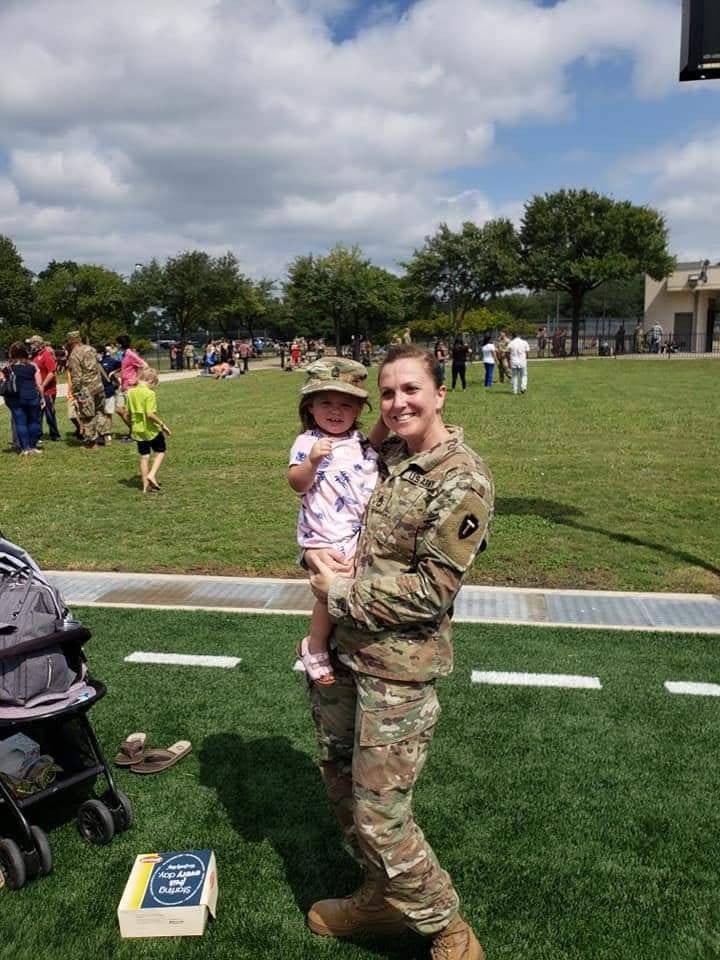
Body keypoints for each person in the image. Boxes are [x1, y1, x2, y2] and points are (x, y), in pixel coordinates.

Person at [304, 344, 493, 959]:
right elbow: (328, 514)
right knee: (338, 783)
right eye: (387, 394)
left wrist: (340, 592)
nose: (398, 403)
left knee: (382, 817)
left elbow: (431, 592)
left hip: (399, 670)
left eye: (411, 389)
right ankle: (381, 899)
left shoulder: (462, 480)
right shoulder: (382, 454)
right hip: (345, 657)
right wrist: (314, 556)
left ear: (441, 393)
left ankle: (447, 931)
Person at [288, 359, 385, 685]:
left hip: (358, 535)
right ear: (310, 407)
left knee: (353, 590)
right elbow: (297, 483)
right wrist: (313, 461)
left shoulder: (358, 441)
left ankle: (348, 648)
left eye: (346, 404)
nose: (335, 411)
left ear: (358, 410)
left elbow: (374, 442)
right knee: (328, 593)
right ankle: (313, 644)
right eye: (326, 403)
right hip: (325, 535)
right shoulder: (307, 443)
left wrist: (385, 422)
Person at [126, 366, 171, 493]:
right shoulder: (149, 393)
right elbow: (150, 414)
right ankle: (152, 475)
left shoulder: (130, 393)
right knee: (161, 451)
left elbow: (128, 413)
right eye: (154, 384)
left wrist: (131, 425)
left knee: (144, 456)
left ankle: (145, 486)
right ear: (150, 380)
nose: (153, 387)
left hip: (138, 430)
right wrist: (163, 425)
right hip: (151, 429)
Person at [1, 342, 44, 456]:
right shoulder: (33, 365)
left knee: (20, 423)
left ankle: (25, 448)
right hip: (32, 395)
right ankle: (33, 446)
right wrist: (42, 397)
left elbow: (2, 380)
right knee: (34, 421)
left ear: (12, 353)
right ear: (25, 352)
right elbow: (39, 384)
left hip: (16, 397)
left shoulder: (8, 367)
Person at [66, 331, 106, 450]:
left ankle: (92, 443)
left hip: (86, 388)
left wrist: (75, 392)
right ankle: (102, 437)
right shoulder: (91, 349)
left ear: (70, 341)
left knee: (87, 415)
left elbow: (76, 377)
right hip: (98, 385)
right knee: (100, 412)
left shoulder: (74, 355)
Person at [26, 336, 61, 442]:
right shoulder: (34, 356)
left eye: (32, 344)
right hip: (36, 390)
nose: (30, 346)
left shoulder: (46, 355)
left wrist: (43, 385)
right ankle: (38, 434)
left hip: (48, 391)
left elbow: (52, 372)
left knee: (49, 413)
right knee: (37, 414)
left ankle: (54, 434)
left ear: (37, 344)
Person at [116, 334, 148, 442]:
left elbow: (144, 365)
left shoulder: (130, 354)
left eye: (117, 343)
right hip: (123, 386)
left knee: (128, 412)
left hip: (130, 387)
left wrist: (136, 379)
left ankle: (134, 433)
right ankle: (133, 431)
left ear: (120, 344)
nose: (116, 346)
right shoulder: (124, 355)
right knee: (119, 410)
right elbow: (125, 367)